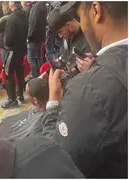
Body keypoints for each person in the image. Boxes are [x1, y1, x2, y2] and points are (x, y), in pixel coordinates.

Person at [44, 2, 128, 178]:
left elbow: (56, 163)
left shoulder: (88, 89)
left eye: (80, 17)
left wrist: (52, 102)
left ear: (96, 11)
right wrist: (98, 66)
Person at [47, 5, 92, 72]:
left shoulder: (89, 41)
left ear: (69, 25)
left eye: (60, 32)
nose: (60, 36)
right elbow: (63, 57)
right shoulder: (68, 36)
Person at [1, 1, 28, 108]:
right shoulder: (24, 16)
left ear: (12, 4)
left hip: (12, 50)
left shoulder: (13, 18)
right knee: (19, 73)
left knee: (7, 73)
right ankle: (20, 95)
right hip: (21, 49)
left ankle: (12, 99)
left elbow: (8, 39)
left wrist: (5, 43)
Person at [27, 1, 47, 79]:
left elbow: (33, 23)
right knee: (38, 56)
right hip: (39, 37)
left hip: (33, 37)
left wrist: (29, 37)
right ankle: (41, 74)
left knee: (31, 58)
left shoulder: (37, 7)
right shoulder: (42, 6)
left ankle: (35, 77)